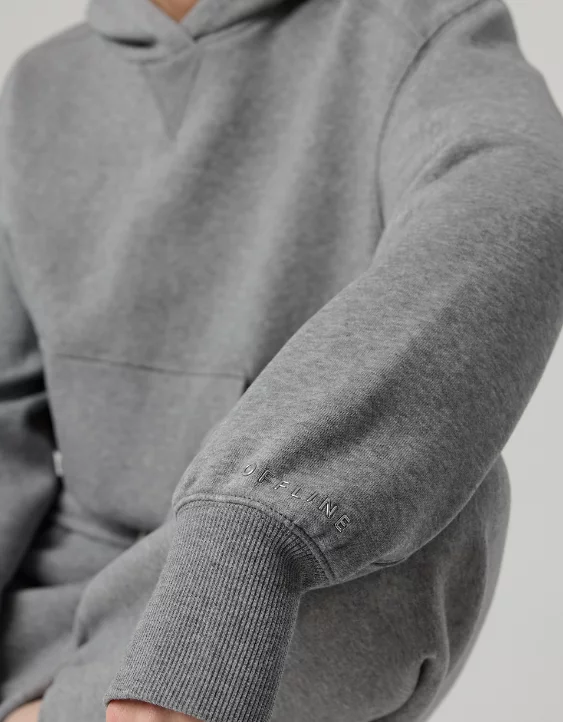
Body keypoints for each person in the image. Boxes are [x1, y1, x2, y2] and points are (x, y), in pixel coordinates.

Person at [1, 0, 563, 720]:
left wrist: (242, 541)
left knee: (430, 495)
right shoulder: (40, 84)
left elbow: (516, 191)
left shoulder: (412, 28)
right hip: (43, 629)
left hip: (278, 608)